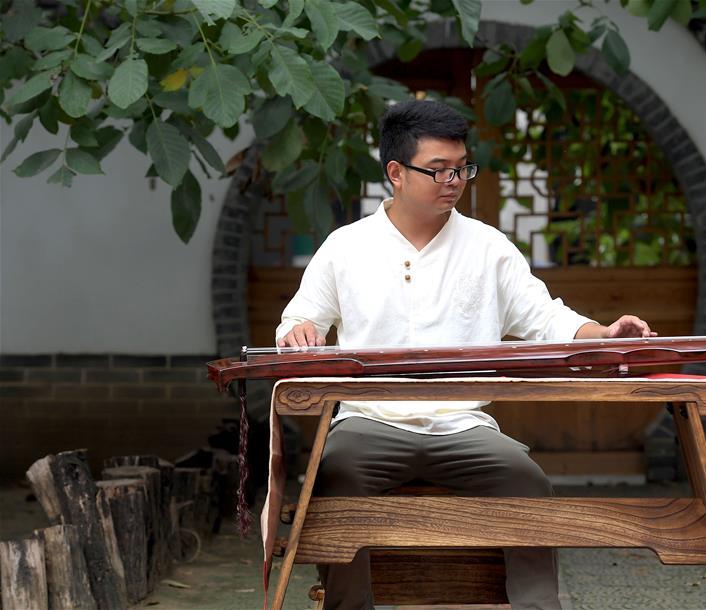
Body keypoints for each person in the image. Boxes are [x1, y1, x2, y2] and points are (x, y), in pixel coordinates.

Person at [276, 99, 655, 610]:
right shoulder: (346, 247)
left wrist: (605, 334)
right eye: (438, 170)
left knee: (527, 481)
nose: (453, 181)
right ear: (396, 172)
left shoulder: (487, 246)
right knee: (335, 476)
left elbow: (545, 319)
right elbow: (300, 322)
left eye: (461, 169)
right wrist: (300, 331)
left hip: (463, 423)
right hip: (369, 420)